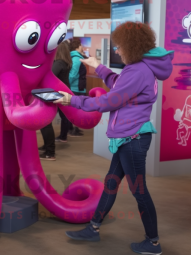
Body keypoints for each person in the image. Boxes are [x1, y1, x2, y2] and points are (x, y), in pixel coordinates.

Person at [55, 22, 174, 255]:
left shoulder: (138, 70)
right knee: (111, 183)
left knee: (139, 191)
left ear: (131, 46)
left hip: (133, 138)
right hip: (128, 138)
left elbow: (111, 100)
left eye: (119, 47)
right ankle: (93, 228)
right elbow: (119, 85)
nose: (117, 51)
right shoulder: (139, 68)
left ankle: (153, 243)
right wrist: (97, 66)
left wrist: (73, 101)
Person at [39, 41, 72, 160]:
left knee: (45, 122)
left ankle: (49, 152)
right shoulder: (66, 62)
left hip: (54, 94)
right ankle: (48, 147)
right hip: (60, 93)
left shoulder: (58, 63)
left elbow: (49, 75)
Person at [68, 38, 86, 137]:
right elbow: (73, 75)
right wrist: (67, 86)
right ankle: (73, 129)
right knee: (76, 110)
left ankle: (75, 128)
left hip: (77, 87)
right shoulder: (76, 59)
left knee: (76, 109)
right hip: (76, 88)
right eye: (81, 45)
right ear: (77, 46)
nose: (82, 47)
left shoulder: (76, 57)